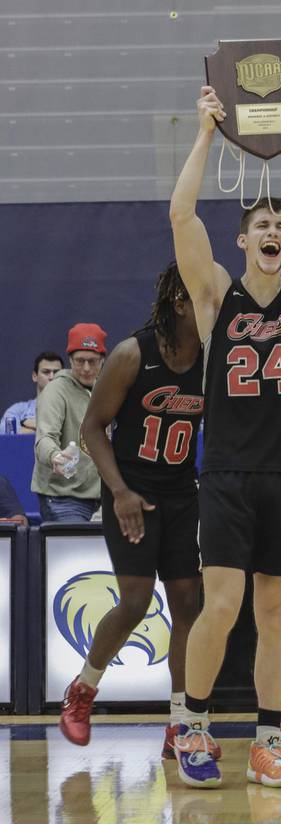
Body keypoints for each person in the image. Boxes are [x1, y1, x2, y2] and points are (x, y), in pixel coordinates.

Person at [169, 84, 281, 789]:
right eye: (263, 224)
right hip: (228, 474)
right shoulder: (218, 296)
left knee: (276, 612)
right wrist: (206, 134)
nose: (276, 230)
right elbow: (182, 213)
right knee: (221, 605)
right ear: (243, 241)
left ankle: (269, 739)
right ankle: (192, 726)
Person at [59, 264, 204, 760]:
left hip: (183, 491)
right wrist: (118, 490)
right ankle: (83, 689)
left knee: (189, 603)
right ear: (181, 303)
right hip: (132, 490)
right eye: (206, 293)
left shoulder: (213, 356)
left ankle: (181, 725)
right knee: (137, 601)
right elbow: (93, 429)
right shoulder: (130, 354)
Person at [31, 324, 106, 522]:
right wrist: (54, 455)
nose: (87, 368)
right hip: (61, 497)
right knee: (76, 551)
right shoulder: (55, 391)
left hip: (101, 497)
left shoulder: (106, 388)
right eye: (80, 361)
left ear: (103, 360)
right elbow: (44, 438)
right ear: (70, 360)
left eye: (93, 361)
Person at [1, 352, 63, 434]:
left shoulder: (72, 409)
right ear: (35, 376)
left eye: (56, 372)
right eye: (46, 372)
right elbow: (4, 431)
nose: (51, 377)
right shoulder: (18, 410)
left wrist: (26, 423)